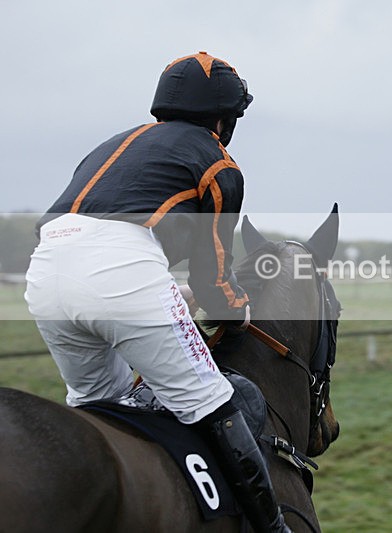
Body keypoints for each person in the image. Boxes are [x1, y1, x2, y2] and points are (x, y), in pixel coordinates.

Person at [25, 52, 290, 533]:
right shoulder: (218, 162)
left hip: (46, 272)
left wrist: (165, 291)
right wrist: (235, 311)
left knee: (100, 402)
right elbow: (215, 280)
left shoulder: (113, 144)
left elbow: (89, 242)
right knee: (216, 399)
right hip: (121, 272)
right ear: (224, 117)